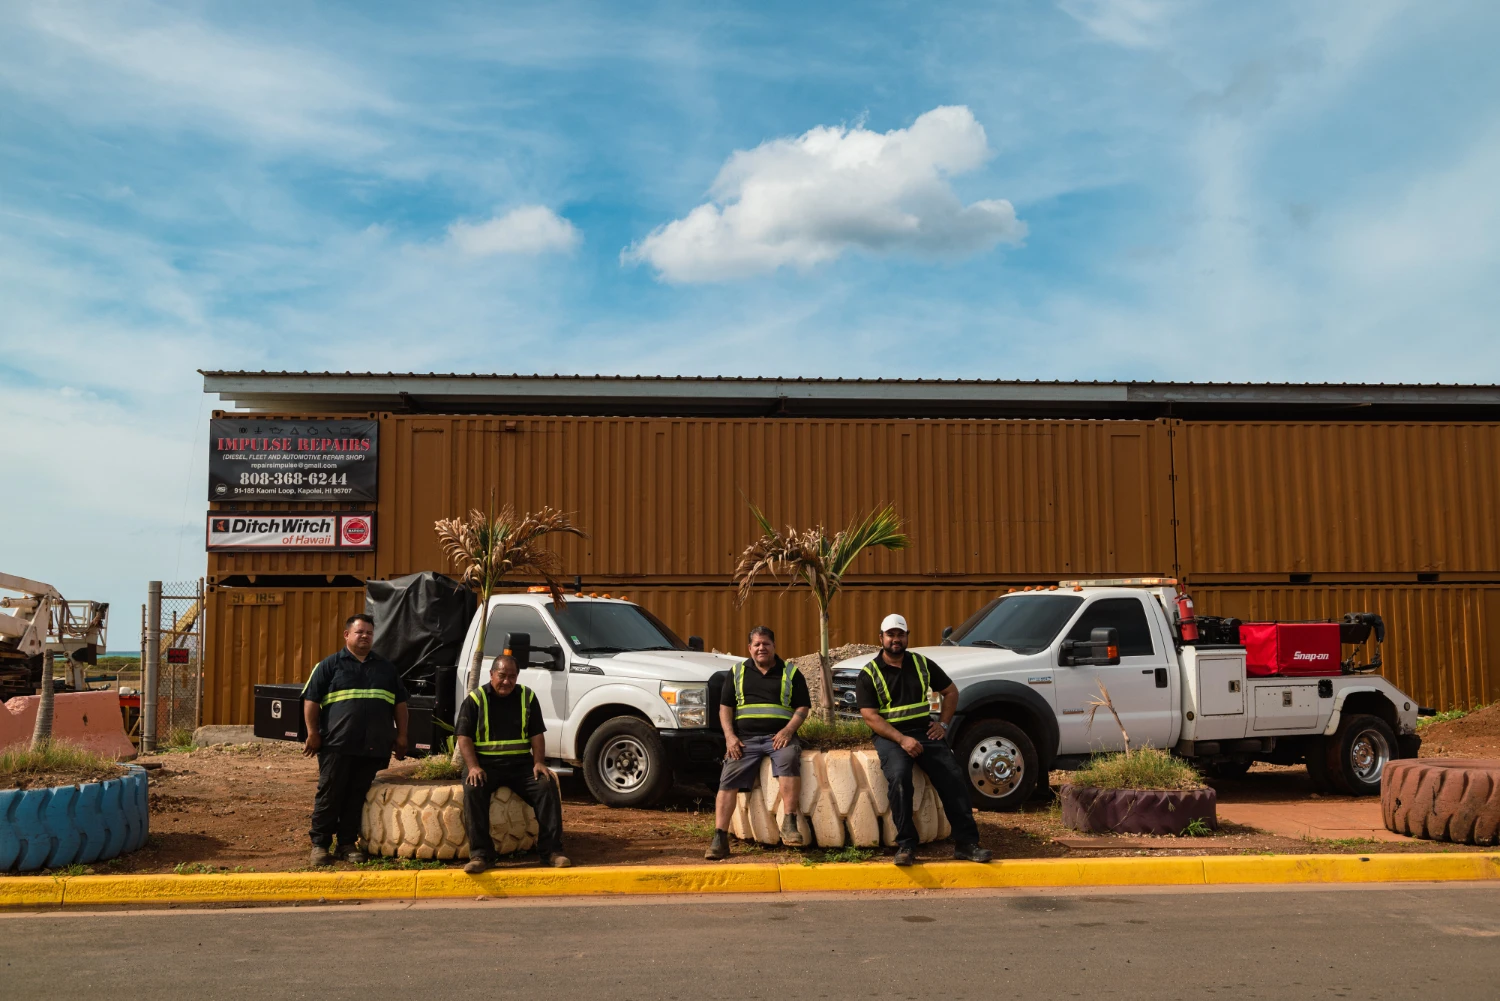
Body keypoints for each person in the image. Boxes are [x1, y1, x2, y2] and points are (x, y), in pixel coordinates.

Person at [856, 613, 993, 865]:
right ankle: (906, 846)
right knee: (899, 779)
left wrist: (942, 724)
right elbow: (871, 717)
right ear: (881, 638)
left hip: (925, 732)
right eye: (890, 635)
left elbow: (950, 692)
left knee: (953, 776)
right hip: (891, 737)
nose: (895, 639)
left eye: (900, 634)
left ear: (907, 637)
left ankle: (966, 844)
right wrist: (902, 740)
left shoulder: (921, 663)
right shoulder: (869, 673)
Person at [302, 613, 409, 866]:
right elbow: (311, 701)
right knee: (330, 794)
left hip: (372, 746)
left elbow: (400, 704)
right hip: (337, 745)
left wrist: (402, 736)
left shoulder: (385, 668)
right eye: (360, 632)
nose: (365, 636)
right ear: (347, 635)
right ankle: (320, 845)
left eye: (369, 633)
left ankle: (347, 844)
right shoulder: (329, 666)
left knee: (356, 795)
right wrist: (313, 733)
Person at [455, 655, 570, 872]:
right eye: (501, 676)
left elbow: (537, 734)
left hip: (521, 766)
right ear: (491, 675)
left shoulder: (527, 697)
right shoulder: (476, 699)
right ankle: (481, 856)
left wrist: (538, 763)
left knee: (546, 786)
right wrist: (473, 767)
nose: (506, 681)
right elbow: (464, 737)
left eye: (512, 676)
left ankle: (552, 852)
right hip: (486, 765)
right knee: (473, 790)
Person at [706, 626, 811, 860]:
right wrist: (730, 737)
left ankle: (789, 824)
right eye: (757, 644)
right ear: (749, 648)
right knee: (728, 777)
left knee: (789, 759)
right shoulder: (737, 672)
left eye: (766, 643)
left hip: (779, 738)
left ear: (774, 646)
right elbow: (725, 708)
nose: (761, 648)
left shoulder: (791, 672)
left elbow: (802, 707)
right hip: (745, 740)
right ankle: (719, 839)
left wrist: (787, 730)